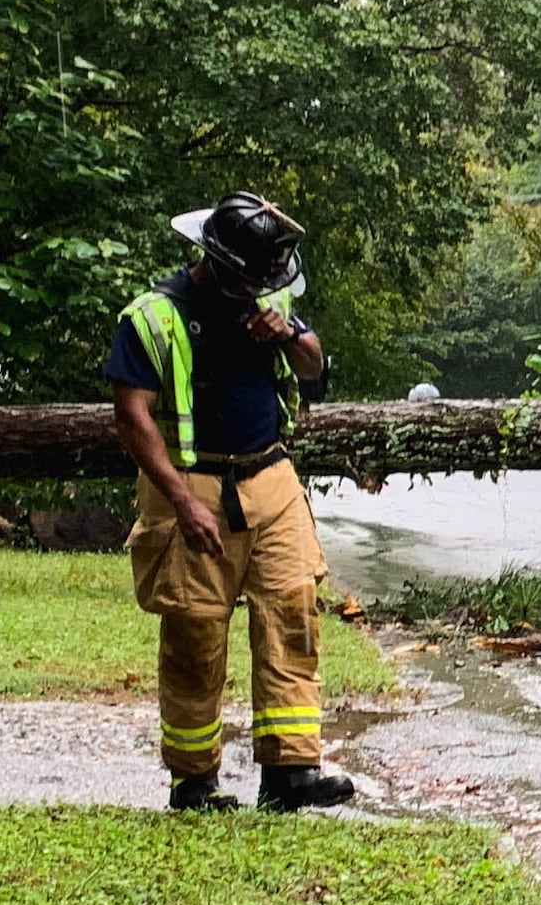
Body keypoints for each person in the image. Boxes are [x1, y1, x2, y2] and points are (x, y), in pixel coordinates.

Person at [105, 194, 356, 815]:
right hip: (192, 486)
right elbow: (132, 417)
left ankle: (291, 772)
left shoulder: (272, 305)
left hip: (270, 477)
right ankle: (193, 782)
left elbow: (315, 364)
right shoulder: (153, 318)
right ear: (215, 261)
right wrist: (179, 501)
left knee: (293, 613)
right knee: (194, 632)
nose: (258, 290)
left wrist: (290, 334)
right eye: (248, 278)